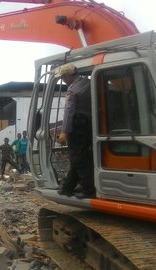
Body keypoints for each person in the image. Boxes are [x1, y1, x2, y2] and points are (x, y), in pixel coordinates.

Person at [55, 63, 95, 199]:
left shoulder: (73, 90)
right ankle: (68, 187)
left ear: (67, 76)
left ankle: (89, 190)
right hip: (89, 126)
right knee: (78, 157)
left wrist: (64, 132)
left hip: (77, 127)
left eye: (63, 77)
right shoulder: (89, 83)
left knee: (79, 158)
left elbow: (69, 112)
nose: (62, 80)